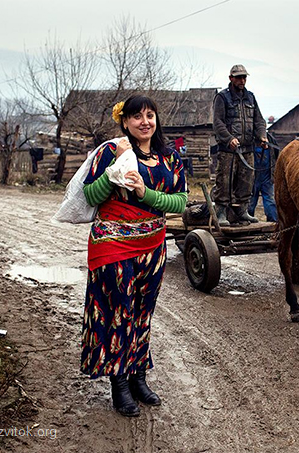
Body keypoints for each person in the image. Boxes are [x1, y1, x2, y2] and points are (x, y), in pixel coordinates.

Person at [80, 95, 188, 417]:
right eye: (137, 116)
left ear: (157, 120)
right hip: (114, 243)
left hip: (153, 246)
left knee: (142, 312)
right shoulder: (112, 152)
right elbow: (90, 195)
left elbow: (180, 202)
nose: (145, 122)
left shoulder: (169, 159)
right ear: (124, 122)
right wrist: (113, 173)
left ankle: (139, 378)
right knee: (118, 312)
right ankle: (120, 385)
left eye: (150, 115)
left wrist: (145, 193)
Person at [212, 64, 268, 226]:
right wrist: (229, 138)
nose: (242, 80)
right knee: (224, 181)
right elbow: (218, 122)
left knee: (247, 182)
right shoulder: (222, 98)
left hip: (248, 149)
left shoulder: (251, 97)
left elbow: (259, 120)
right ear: (231, 78)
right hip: (228, 150)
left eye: (244, 77)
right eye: (238, 77)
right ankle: (221, 212)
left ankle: (243, 211)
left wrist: (262, 136)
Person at [248, 135, 278, 222]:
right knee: (250, 201)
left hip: (267, 176)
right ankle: (248, 222)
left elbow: (276, 154)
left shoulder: (271, 139)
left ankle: (273, 222)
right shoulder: (249, 139)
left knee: (270, 201)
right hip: (251, 176)